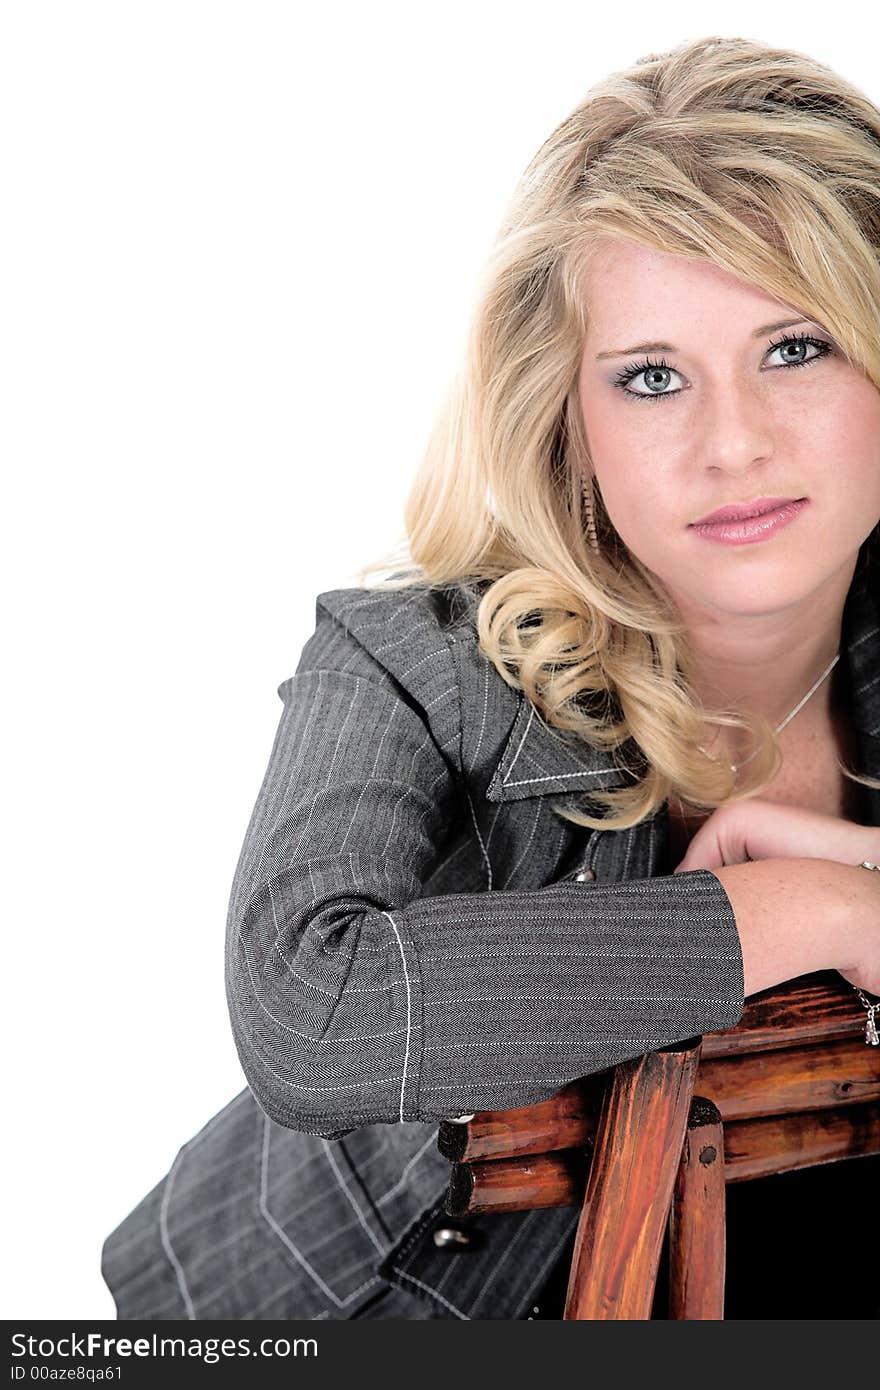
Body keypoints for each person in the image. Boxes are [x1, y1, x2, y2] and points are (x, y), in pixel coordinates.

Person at [101, 33, 880, 1320]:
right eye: (649, 377)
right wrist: (819, 908)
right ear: (565, 422)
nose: (732, 442)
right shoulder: (411, 661)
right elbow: (312, 1008)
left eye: (794, 348)